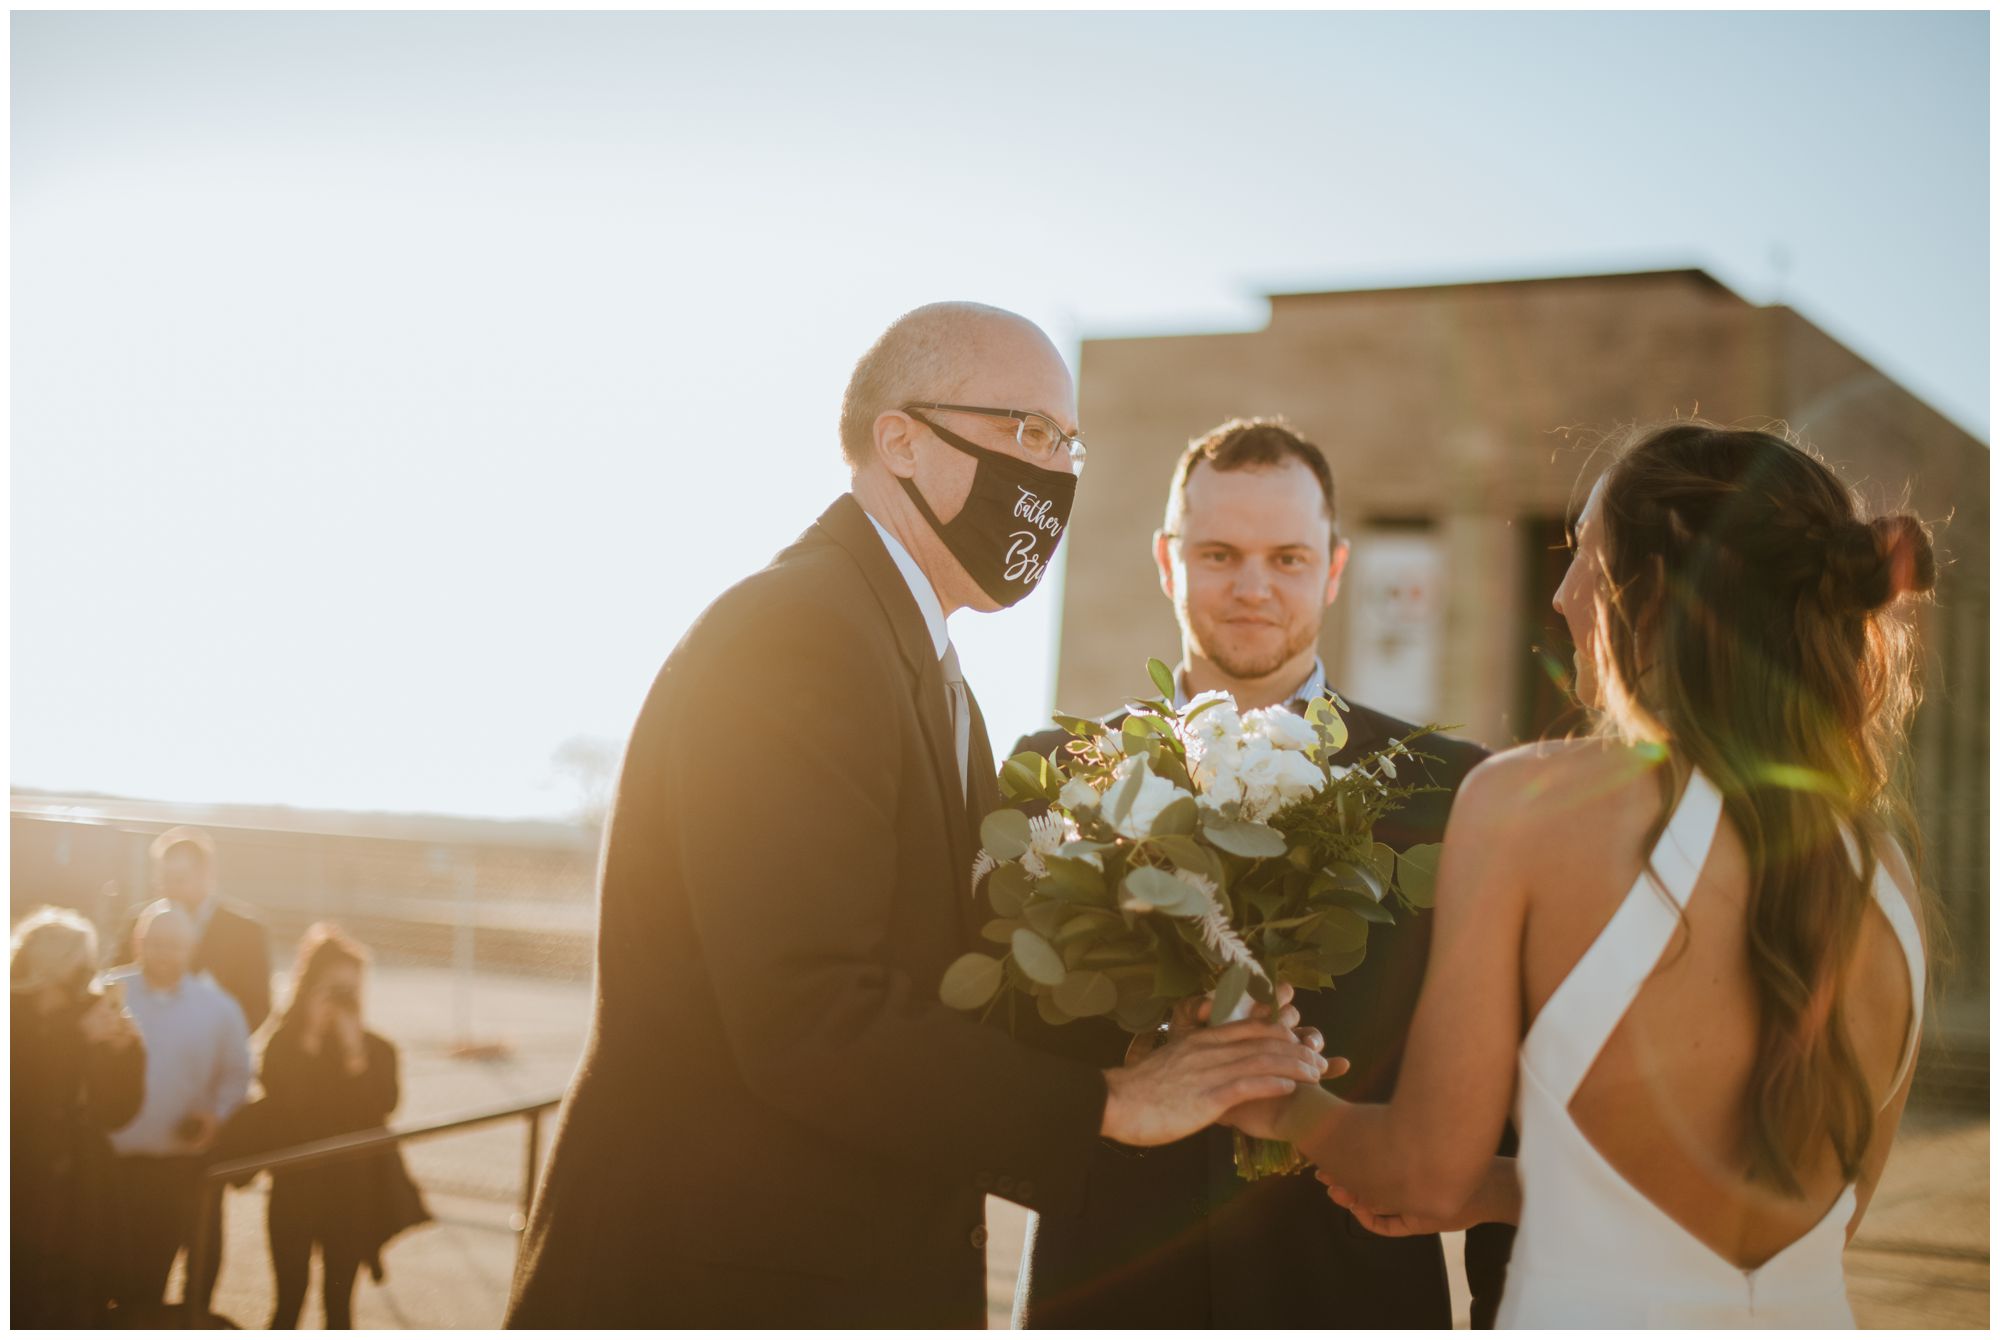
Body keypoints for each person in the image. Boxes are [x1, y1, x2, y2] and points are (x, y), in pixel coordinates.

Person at [504, 303, 1328, 1328]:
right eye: (1025, 432)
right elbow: (807, 1010)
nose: (1054, 472)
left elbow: (934, 980)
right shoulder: (798, 633)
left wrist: (1150, 1034)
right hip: (714, 1281)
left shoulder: (930, 668)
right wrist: (1112, 1104)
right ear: (899, 438)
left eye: (1067, 442)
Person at [1228, 422, 1935, 1328]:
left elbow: (1420, 1173)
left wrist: (1285, 1106)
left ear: (1648, 587)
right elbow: (1809, 1221)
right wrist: (1499, 1192)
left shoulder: (1526, 803)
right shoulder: (1887, 874)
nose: (1560, 595)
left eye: (1582, 553)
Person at [1009, 417, 1513, 1329]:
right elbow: (998, 1035)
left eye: (1286, 558)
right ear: (1168, 563)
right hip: (1107, 1290)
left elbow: (1507, 1104)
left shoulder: (1456, 790)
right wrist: (1139, 1059)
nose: (1251, 588)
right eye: (1218, 554)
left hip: (1352, 1294)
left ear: (1334, 568)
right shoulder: (1062, 772)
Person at [249, 923, 430, 1329]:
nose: (343, 1001)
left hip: (350, 1195)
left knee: (338, 1307)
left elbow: (383, 1106)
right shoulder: (283, 1044)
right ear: (309, 987)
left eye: (351, 991)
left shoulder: (377, 1050)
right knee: (288, 1302)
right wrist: (311, 1035)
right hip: (294, 1192)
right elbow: (286, 1107)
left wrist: (353, 1054)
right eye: (334, 990)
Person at [104, 900, 252, 1324]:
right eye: (155, 943)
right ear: (138, 941)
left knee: (157, 1287)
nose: (164, 953)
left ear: (192, 947)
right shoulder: (108, 992)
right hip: (107, 1170)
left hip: (178, 1171)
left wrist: (216, 1115)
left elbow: (237, 1075)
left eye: (174, 945)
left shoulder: (218, 1008)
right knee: (105, 1284)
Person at [11, 907, 147, 1328]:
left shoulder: (90, 1011)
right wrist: (77, 1039)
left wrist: (124, 1054)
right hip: (19, 1184)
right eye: (79, 967)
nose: (87, 977)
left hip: (79, 1193)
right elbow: (25, 1096)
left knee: (76, 1298)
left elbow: (117, 1113)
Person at [130, 826, 274, 1035]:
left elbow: (257, 1006)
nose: (168, 887)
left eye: (179, 879)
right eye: (163, 878)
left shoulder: (246, 931)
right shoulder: (137, 922)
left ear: (206, 876)